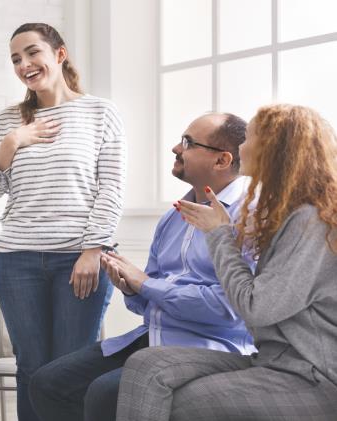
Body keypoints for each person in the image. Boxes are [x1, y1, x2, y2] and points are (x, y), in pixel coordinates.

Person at [28, 112, 256, 421]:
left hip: (211, 345)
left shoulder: (250, 218)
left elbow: (230, 309)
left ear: (222, 160)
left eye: (188, 143)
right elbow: (149, 305)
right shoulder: (172, 217)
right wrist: (131, 288)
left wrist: (145, 284)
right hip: (154, 335)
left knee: (106, 393)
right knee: (48, 383)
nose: (176, 148)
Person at [117, 104, 337, 420]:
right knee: (145, 365)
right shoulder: (286, 213)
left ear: (276, 150)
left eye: (250, 138)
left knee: (183, 403)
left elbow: (256, 309)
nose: (241, 146)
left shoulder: (310, 222)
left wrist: (218, 234)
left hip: (313, 375)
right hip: (272, 359)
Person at [0, 22, 126, 421]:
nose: (24, 64)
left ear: (59, 54)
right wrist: (11, 143)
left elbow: (111, 189)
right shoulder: (8, 121)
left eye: (32, 52)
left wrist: (92, 250)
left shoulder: (100, 113)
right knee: (31, 368)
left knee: (70, 370)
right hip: (17, 261)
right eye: (15, 59)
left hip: (79, 258)